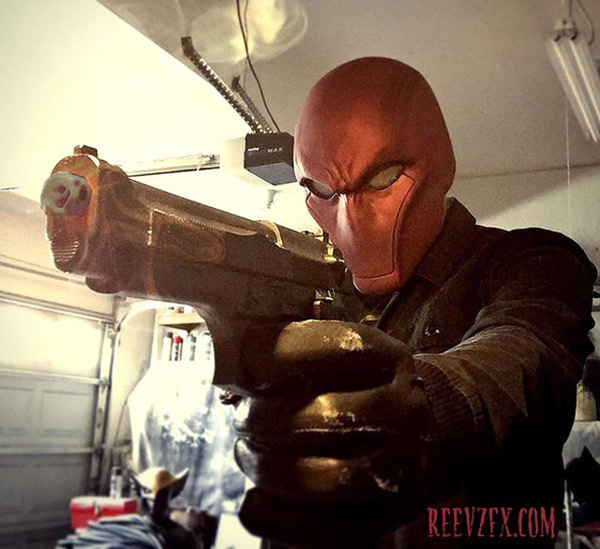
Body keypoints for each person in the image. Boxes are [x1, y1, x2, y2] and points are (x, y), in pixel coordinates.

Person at [230, 57, 597, 548]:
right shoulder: (317, 284)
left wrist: (429, 409)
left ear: (438, 164)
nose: (350, 218)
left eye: (381, 177)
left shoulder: (531, 260)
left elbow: (526, 352)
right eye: (322, 189)